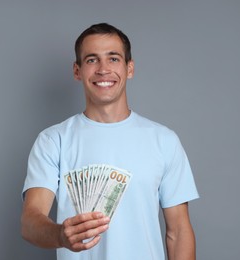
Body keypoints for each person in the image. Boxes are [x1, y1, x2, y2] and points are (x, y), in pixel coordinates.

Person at [21, 23, 199, 260]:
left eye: (113, 59)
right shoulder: (53, 140)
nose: (103, 69)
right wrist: (60, 236)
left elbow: (178, 232)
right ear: (77, 71)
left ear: (130, 68)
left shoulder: (164, 140)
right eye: (92, 60)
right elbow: (30, 220)